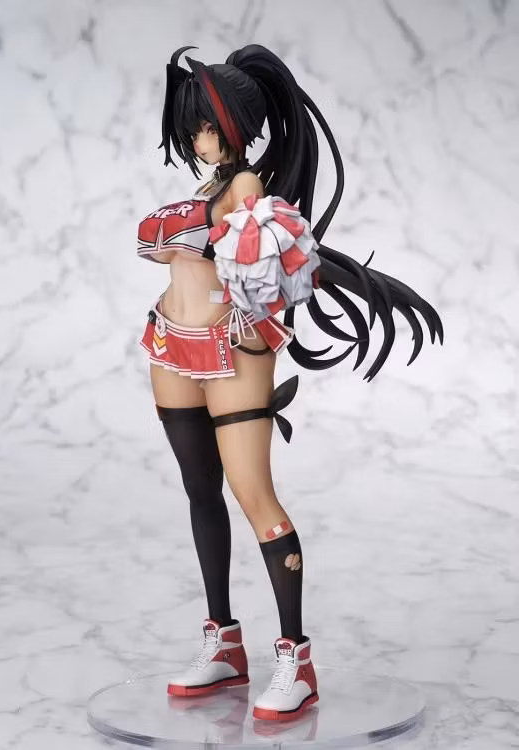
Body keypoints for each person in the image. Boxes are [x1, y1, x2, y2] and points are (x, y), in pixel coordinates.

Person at [137, 44, 444, 722]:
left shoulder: (246, 186)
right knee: (200, 490)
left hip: (231, 347)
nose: (200, 140)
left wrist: (194, 238)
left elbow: (251, 260)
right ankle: (223, 640)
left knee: (253, 493)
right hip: (171, 341)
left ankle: (295, 656)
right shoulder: (209, 190)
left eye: (208, 126)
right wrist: (182, 237)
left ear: (237, 125)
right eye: (194, 128)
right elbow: (163, 245)